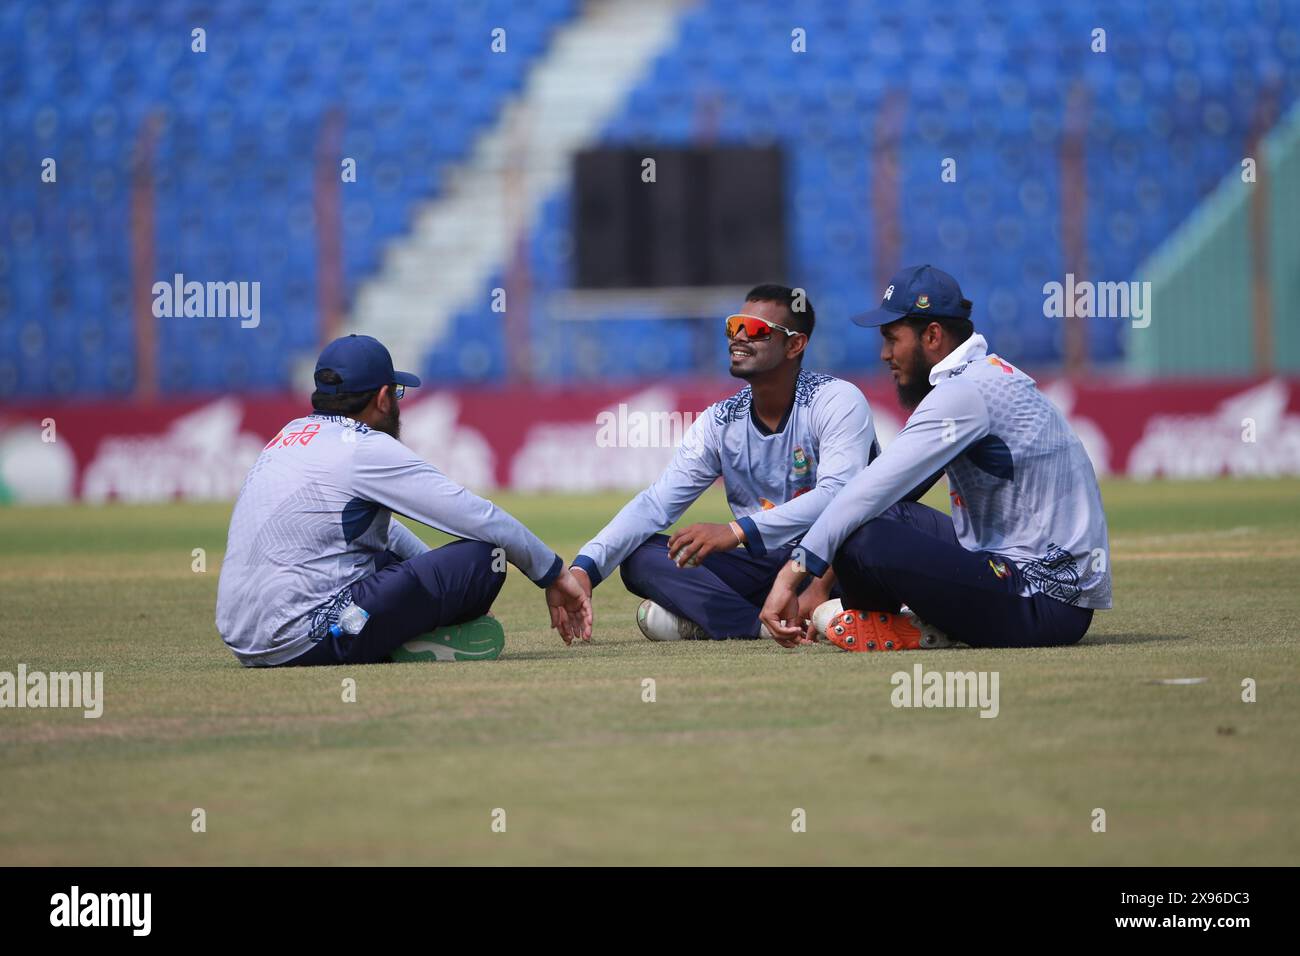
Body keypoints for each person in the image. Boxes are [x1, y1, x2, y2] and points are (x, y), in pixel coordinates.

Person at [759, 265, 1112, 651]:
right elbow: (885, 496)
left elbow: (865, 490)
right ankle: (894, 621)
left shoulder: (965, 393)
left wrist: (790, 578)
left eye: (892, 338)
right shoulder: (978, 378)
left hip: (1044, 600)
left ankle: (908, 623)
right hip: (1022, 578)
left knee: (866, 535)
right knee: (877, 516)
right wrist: (820, 586)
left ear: (932, 336)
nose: (884, 354)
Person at [215, 333, 591, 666]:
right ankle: (403, 638)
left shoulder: (289, 435)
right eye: (396, 393)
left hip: (243, 639)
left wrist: (441, 583)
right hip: (311, 637)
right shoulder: (364, 448)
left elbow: (387, 532)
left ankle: (400, 631)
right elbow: (474, 514)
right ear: (382, 398)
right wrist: (553, 572)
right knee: (487, 559)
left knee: (381, 551)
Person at [569, 284, 878, 641]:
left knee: (863, 549)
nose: (739, 338)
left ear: (795, 345)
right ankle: (758, 626)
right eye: (735, 327)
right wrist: (584, 569)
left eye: (758, 331)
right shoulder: (720, 421)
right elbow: (656, 503)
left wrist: (736, 531)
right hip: (763, 561)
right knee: (642, 556)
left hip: (834, 560)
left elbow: (840, 496)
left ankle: (757, 613)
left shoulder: (835, 400)